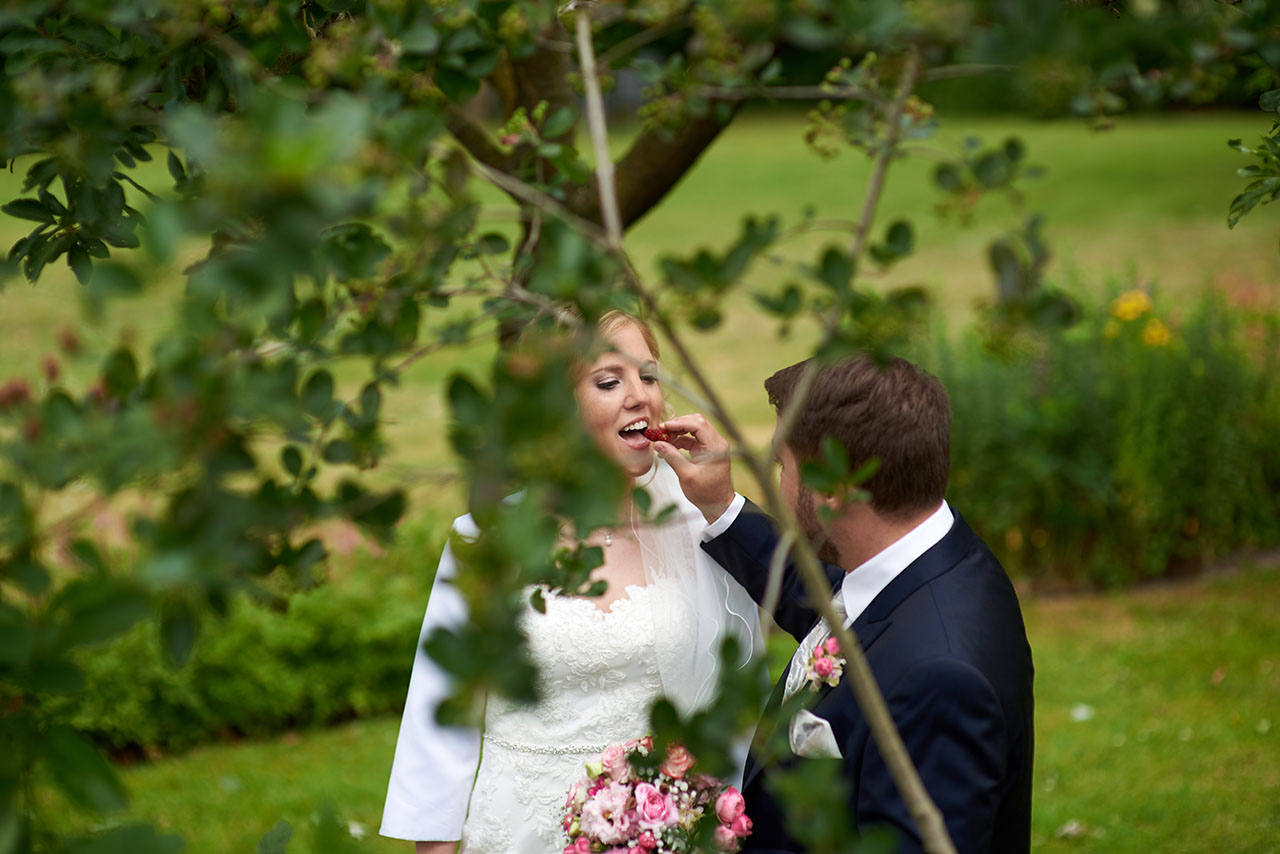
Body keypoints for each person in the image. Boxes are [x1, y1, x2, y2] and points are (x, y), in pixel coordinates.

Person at [379, 310, 761, 854]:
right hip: (519, 830)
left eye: (648, 376)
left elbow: (737, 697)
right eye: (609, 382)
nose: (640, 397)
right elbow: (442, 729)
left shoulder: (700, 528)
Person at [652, 355, 1035, 854]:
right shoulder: (932, 556)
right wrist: (722, 505)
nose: (776, 482)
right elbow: (828, 601)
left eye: (781, 466)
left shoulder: (940, 679)